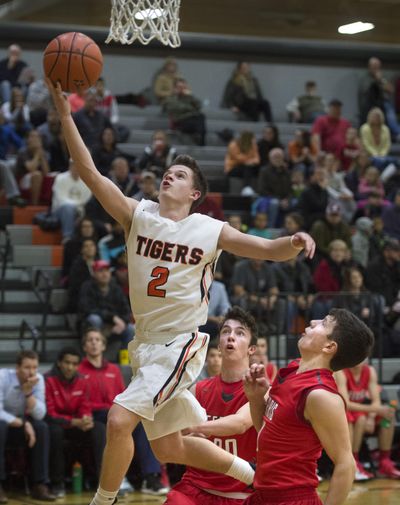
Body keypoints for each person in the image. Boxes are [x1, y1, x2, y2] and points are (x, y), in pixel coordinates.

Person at [46, 78, 315, 505]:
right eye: (169, 170)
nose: (170, 174)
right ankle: (253, 474)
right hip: (147, 345)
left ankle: (103, 501)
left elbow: (266, 249)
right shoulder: (139, 215)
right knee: (169, 446)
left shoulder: (209, 229)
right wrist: (64, 114)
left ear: (195, 194)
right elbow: (89, 173)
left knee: (118, 420)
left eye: (182, 174)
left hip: (180, 343)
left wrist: (293, 241)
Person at [243, 308, 375, 505]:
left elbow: (346, 465)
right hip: (262, 495)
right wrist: (255, 399)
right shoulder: (293, 369)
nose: (313, 321)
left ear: (329, 346)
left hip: (292, 499)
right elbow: (265, 430)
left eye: (323, 323)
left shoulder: (321, 395)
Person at [165, 306, 258, 504]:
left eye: (239, 333)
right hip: (196, 488)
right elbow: (175, 437)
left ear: (252, 349)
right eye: (226, 332)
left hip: (241, 494)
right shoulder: (198, 389)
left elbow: (240, 423)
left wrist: (195, 427)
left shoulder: (260, 389)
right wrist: (186, 434)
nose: (231, 336)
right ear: (219, 345)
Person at [79, 328, 169, 495]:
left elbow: (123, 395)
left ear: (103, 346)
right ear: (84, 347)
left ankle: (151, 478)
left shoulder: (113, 369)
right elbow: (79, 400)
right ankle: (116, 480)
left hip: (114, 410)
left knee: (142, 425)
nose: (93, 343)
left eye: (97, 340)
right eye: (90, 340)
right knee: (102, 429)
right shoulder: (79, 371)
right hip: (94, 416)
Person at [45, 347, 106, 497]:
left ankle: (103, 483)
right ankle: (57, 483)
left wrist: (86, 419)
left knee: (99, 428)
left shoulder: (82, 381)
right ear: (59, 363)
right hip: (56, 425)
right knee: (55, 431)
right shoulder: (48, 380)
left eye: (74, 363)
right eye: (67, 362)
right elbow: (49, 414)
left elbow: (85, 406)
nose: (70, 367)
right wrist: (74, 422)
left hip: (75, 425)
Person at [0, 350, 55, 503]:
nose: (31, 372)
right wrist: (24, 424)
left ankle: (40, 484)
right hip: (6, 424)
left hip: (23, 425)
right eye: (27, 367)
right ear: (17, 367)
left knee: (42, 427)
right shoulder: (3, 377)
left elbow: (40, 414)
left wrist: (28, 394)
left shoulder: (38, 380)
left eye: (35, 367)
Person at [334, 362, 400, 480]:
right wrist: (373, 411)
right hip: (348, 411)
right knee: (361, 418)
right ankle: (354, 461)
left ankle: (384, 461)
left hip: (364, 410)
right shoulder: (341, 372)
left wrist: (371, 417)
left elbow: (376, 401)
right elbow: (346, 404)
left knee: (388, 415)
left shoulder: (370, 371)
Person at [50, 158, 92, 241]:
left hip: (80, 211)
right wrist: (77, 206)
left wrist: (79, 209)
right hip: (59, 211)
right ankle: (68, 237)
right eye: (73, 165)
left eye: (78, 166)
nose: (76, 168)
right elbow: (61, 200)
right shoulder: (60, 178)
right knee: (68, 207)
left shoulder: (86, 180)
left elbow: (87, 199)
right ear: (70, 166)